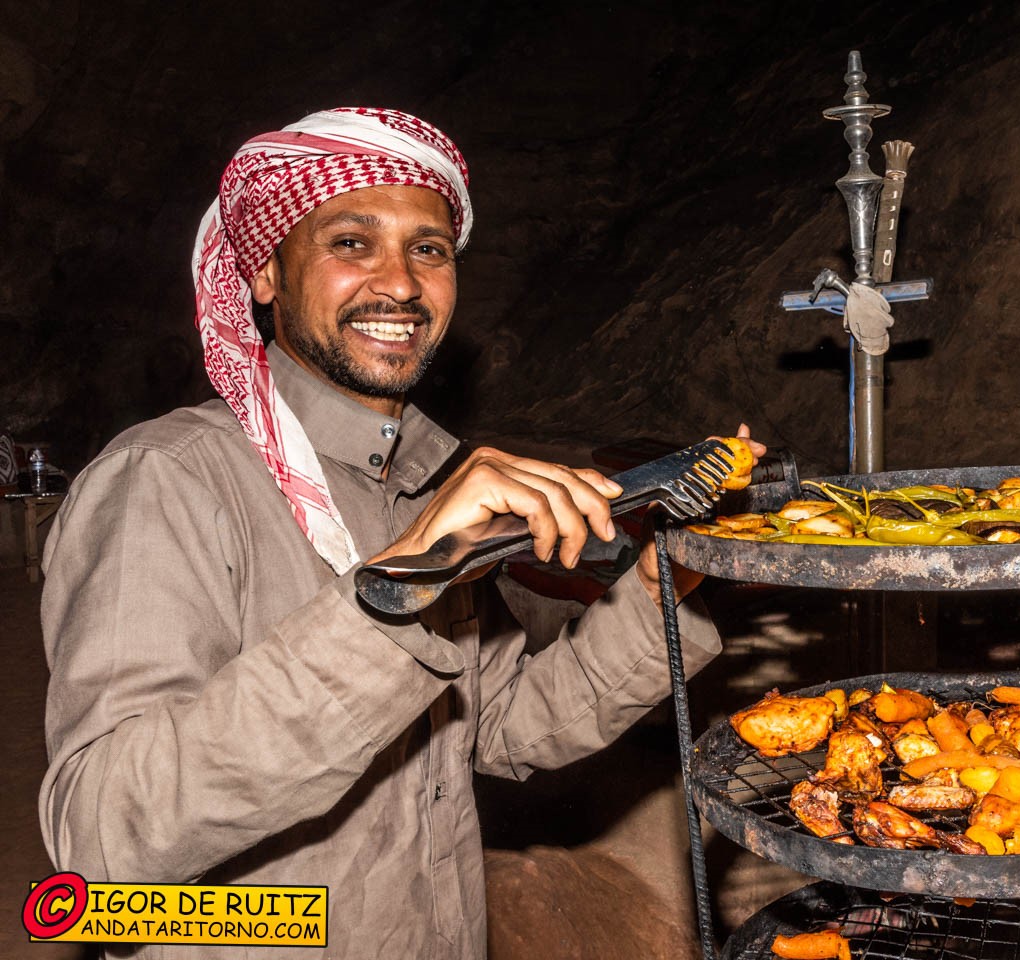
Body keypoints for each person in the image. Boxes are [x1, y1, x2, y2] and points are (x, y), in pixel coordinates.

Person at [39, 107, 761, 958]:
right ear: (266, 272)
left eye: (429, 250)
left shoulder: (421, 482)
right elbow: (96, 837)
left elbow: (497, 728)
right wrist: (395, 594)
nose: (401, 283)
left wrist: (654, 591)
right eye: (352, 242)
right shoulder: (170, 478)